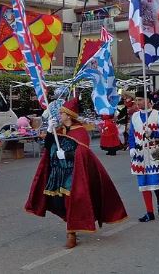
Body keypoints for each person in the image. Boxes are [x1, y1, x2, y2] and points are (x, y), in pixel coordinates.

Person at [25, 98, 128, 248]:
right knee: (57, 201)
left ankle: (71, 234)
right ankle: (70, 223)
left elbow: (83, 153)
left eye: (62, 113)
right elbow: (48, 146)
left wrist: (66, 155)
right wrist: (49, 132)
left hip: (72, 172)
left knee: (71, 201)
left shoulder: (80, 131)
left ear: (69, 115)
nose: (59, 115)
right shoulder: (58, 130)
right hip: (57, 171)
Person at [128, 89, 159, 222]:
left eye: (140, 99)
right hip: (140, 154)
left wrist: (153, 133)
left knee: (155, 181)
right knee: (143, 184)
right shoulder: (134, 116)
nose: (137, 102)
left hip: (155, 152)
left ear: (149, 101)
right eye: (137, 100)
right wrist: (132, 147)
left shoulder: (158, 114)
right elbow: (131, 134)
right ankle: (149, 212)